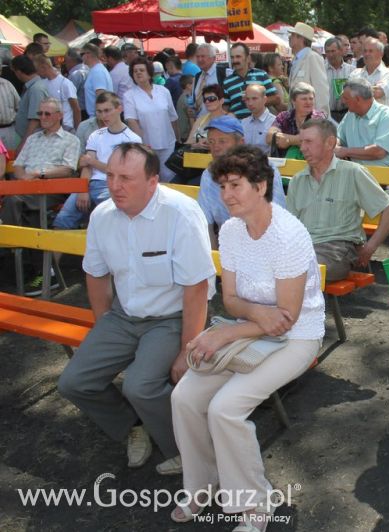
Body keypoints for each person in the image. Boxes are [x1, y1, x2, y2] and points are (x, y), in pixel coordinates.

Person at [169, 144, 323, 531]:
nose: (226, 195)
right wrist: (254, 314)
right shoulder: (233, 229)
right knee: (184, 396)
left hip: (298, 336)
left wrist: (225, 334)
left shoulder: (289, 234)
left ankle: (255, 503)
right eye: (222, 186)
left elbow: (285, 320)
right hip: (251, 330)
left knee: (226, 408)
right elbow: (232, 299)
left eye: (235, 185)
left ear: (261, 185)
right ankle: (203, 483)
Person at [57, 142, 215, 474]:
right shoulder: (102, 215)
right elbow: (96, 275)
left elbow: (197, 288)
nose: (115, 186)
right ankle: (133, 426)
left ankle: (190, 451)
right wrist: (104, 326)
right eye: (111, 175)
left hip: (172, 317)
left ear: (152, 181)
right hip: (123, 315)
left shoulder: (181, 214)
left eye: (126, 178)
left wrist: (188, 351)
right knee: (73, 382)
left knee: (140, 386)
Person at [287, 118, 389, 281]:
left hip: (337, 248)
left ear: (330, 143)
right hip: (302, 248)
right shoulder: (297, 180)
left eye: (308, 141)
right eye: (301, 142)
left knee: (302, 270)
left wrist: (370, 247)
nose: (302, 148)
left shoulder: (353, 172)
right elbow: (289, 227)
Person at [54, 92, 141, 229]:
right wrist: (83, 189)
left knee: (109, 220)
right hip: (90, 183)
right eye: (99, 112)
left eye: (107, 110)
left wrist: (93, 162)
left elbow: (122, 172)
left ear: (119, 108)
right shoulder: (96, 135)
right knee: (62, 220)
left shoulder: (132, 139)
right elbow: (86, 167)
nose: (103, 116)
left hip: (113, 186)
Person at [198, 116, 287, 249]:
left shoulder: (265, 167)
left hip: (265, 241)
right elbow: (205, 223)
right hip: (228, 243)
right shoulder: (208, 175)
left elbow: (277, 216)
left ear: (241, 143)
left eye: (222, 141)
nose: (215, 147)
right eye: (211, 141)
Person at [3, 98, 80, 229]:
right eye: (40, 113)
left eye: (47, 114)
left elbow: (67, 169)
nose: (43, 117)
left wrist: (39, 173)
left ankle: (11, 246)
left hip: (53, 188)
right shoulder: (32, 139)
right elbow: (18, 165)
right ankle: (29, 246)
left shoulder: (71, 140)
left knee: (14, 200)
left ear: (60, 115)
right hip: (27, 187)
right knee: (22, 204)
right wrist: (24, 178)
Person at [123, 57, 179, 182]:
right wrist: (142, 144)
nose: (138, 73)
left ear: (149, 73)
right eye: (135, 71)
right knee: (151, 178)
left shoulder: (163, 91)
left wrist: (178, 139)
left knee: (169, 178)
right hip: (147, 146)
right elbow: (132, 121)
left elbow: (173, 117)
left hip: (167, 143)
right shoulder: (129, 95)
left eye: (141, 70)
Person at [335, 78, 389, 167]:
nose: (342, 101)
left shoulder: (387, 116)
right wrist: (334, 145)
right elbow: (339, 138)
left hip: (383, 176)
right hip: (354, 172)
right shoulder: (350, 115)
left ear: (357, 99)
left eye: (345, 98)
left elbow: (379, 151)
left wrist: (344, 151)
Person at [268, 83, 326, 159]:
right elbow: (269, 137)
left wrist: (288, 140)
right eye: (304, 99)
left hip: (311, 162)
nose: (308, 102)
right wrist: (298, 140)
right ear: (293, 101)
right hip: (284, 164)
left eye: (311, 99)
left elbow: (315, 139)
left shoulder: (318, 117)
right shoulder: (284, 116)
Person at [222, 43, 278, 120]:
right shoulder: (227, 81)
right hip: (238, 127)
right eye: (232, 57)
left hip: (260, 123)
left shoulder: (261, 74)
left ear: (248, 58)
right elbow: (225, 107)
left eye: (238, 57)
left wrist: (254, 100)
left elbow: (276, 98)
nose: (234, 60)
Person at [287, 22, 330, 116]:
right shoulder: (296, 59)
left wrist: (320, 117)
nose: (289, 37)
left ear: (301, 38)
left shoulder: (313, 57)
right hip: (297, 117)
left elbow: (321, 91)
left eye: (293, 35)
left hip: (311, 118)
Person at [11, 54, 49, 152]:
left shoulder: (36, 89)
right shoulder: (33, 87)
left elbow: (35, 120)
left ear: (18, 72)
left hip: (32, 142)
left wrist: (23, 145)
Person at [33, 53, 80, 132]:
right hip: (50, 127)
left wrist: (77, 129)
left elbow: (76, 108)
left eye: (37, 70)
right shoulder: (43, 83)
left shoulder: (65, 84)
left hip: (66, 127)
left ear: (43, 67)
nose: (37, 73)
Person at [349, 37, 389, 109]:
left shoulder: (388, 73)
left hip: (380, 118)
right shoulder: (355, 73)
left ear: (381, 54)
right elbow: (347, 94)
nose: (367, 54)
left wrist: (355, 91)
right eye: (365, 51)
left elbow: (378, 93)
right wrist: (371, 88)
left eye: (370, 51)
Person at [185, 84, 230, 149]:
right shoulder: (201, 120)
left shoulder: (229, 118)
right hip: (200, 157)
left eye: (211, 98)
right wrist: (197, 145)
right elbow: (188, 143)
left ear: (221, 100)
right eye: (205, 99)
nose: (207, 101)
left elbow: (234, 143)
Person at [325, 36, 356, 122]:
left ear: (340, 51)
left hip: (347, 114)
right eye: (328, 52)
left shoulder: (352, 70)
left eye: (333, 51)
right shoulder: (321, 70)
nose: (330, 54)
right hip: (327, 114)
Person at [241, 84, 277, 152]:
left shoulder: (275, 123)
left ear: (264, 99)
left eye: (254, 98)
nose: (250, 103)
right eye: (247, 99)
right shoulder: (243, 123)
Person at [81, 44, 113, 119]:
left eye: (81, 54)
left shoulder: (97, 71)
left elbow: (101, 95)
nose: (81, 57)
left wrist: (101, 119)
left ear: (87, 54)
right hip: (98, 117)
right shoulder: (96, 70)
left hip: (98, 118)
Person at [64, 48, 88, 120]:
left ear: (69, 60)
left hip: (80, 112)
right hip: (87, 110)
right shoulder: (87, 68)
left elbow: (68, 96)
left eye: (65, 61)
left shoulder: (75, 74)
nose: (64, 64)